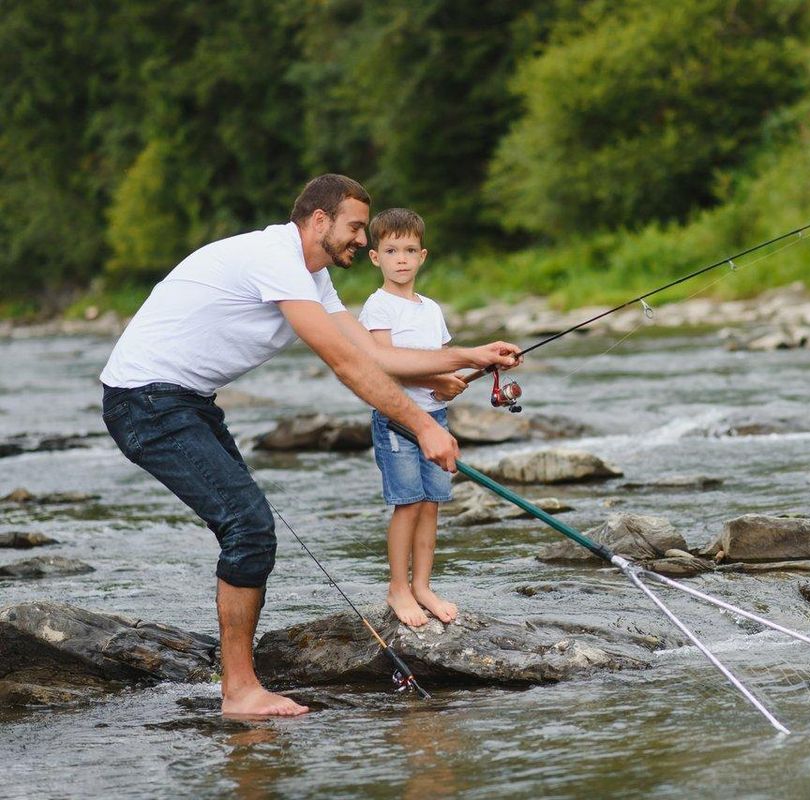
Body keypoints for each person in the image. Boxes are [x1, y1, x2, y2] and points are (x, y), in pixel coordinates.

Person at [99, 175, 519, 717]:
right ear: (318, 221)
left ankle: (237, 682)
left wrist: (469, 356)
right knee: (248, 527)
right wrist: (424, 425)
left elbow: (374, 356)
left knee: (248, 527)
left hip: (186, 403)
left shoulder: (312, 279)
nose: (364, 242)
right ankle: (240, 691)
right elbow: (346, 365)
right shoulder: (275, 258)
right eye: (356, 227)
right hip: (147, 403)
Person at [359, 208, 462, 627]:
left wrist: (449, 381)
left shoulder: (431, 308)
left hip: (435, 417)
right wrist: (438, 374)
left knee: (432, 504)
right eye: (391, 250)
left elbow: (439, 359)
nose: (401, 258)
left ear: (423, 256)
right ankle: (397, 589)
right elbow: (388, 365)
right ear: (374, 258)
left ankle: (422, 585)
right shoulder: (377, 307)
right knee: (408, 504)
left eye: (409, 250)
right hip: (397, 422)